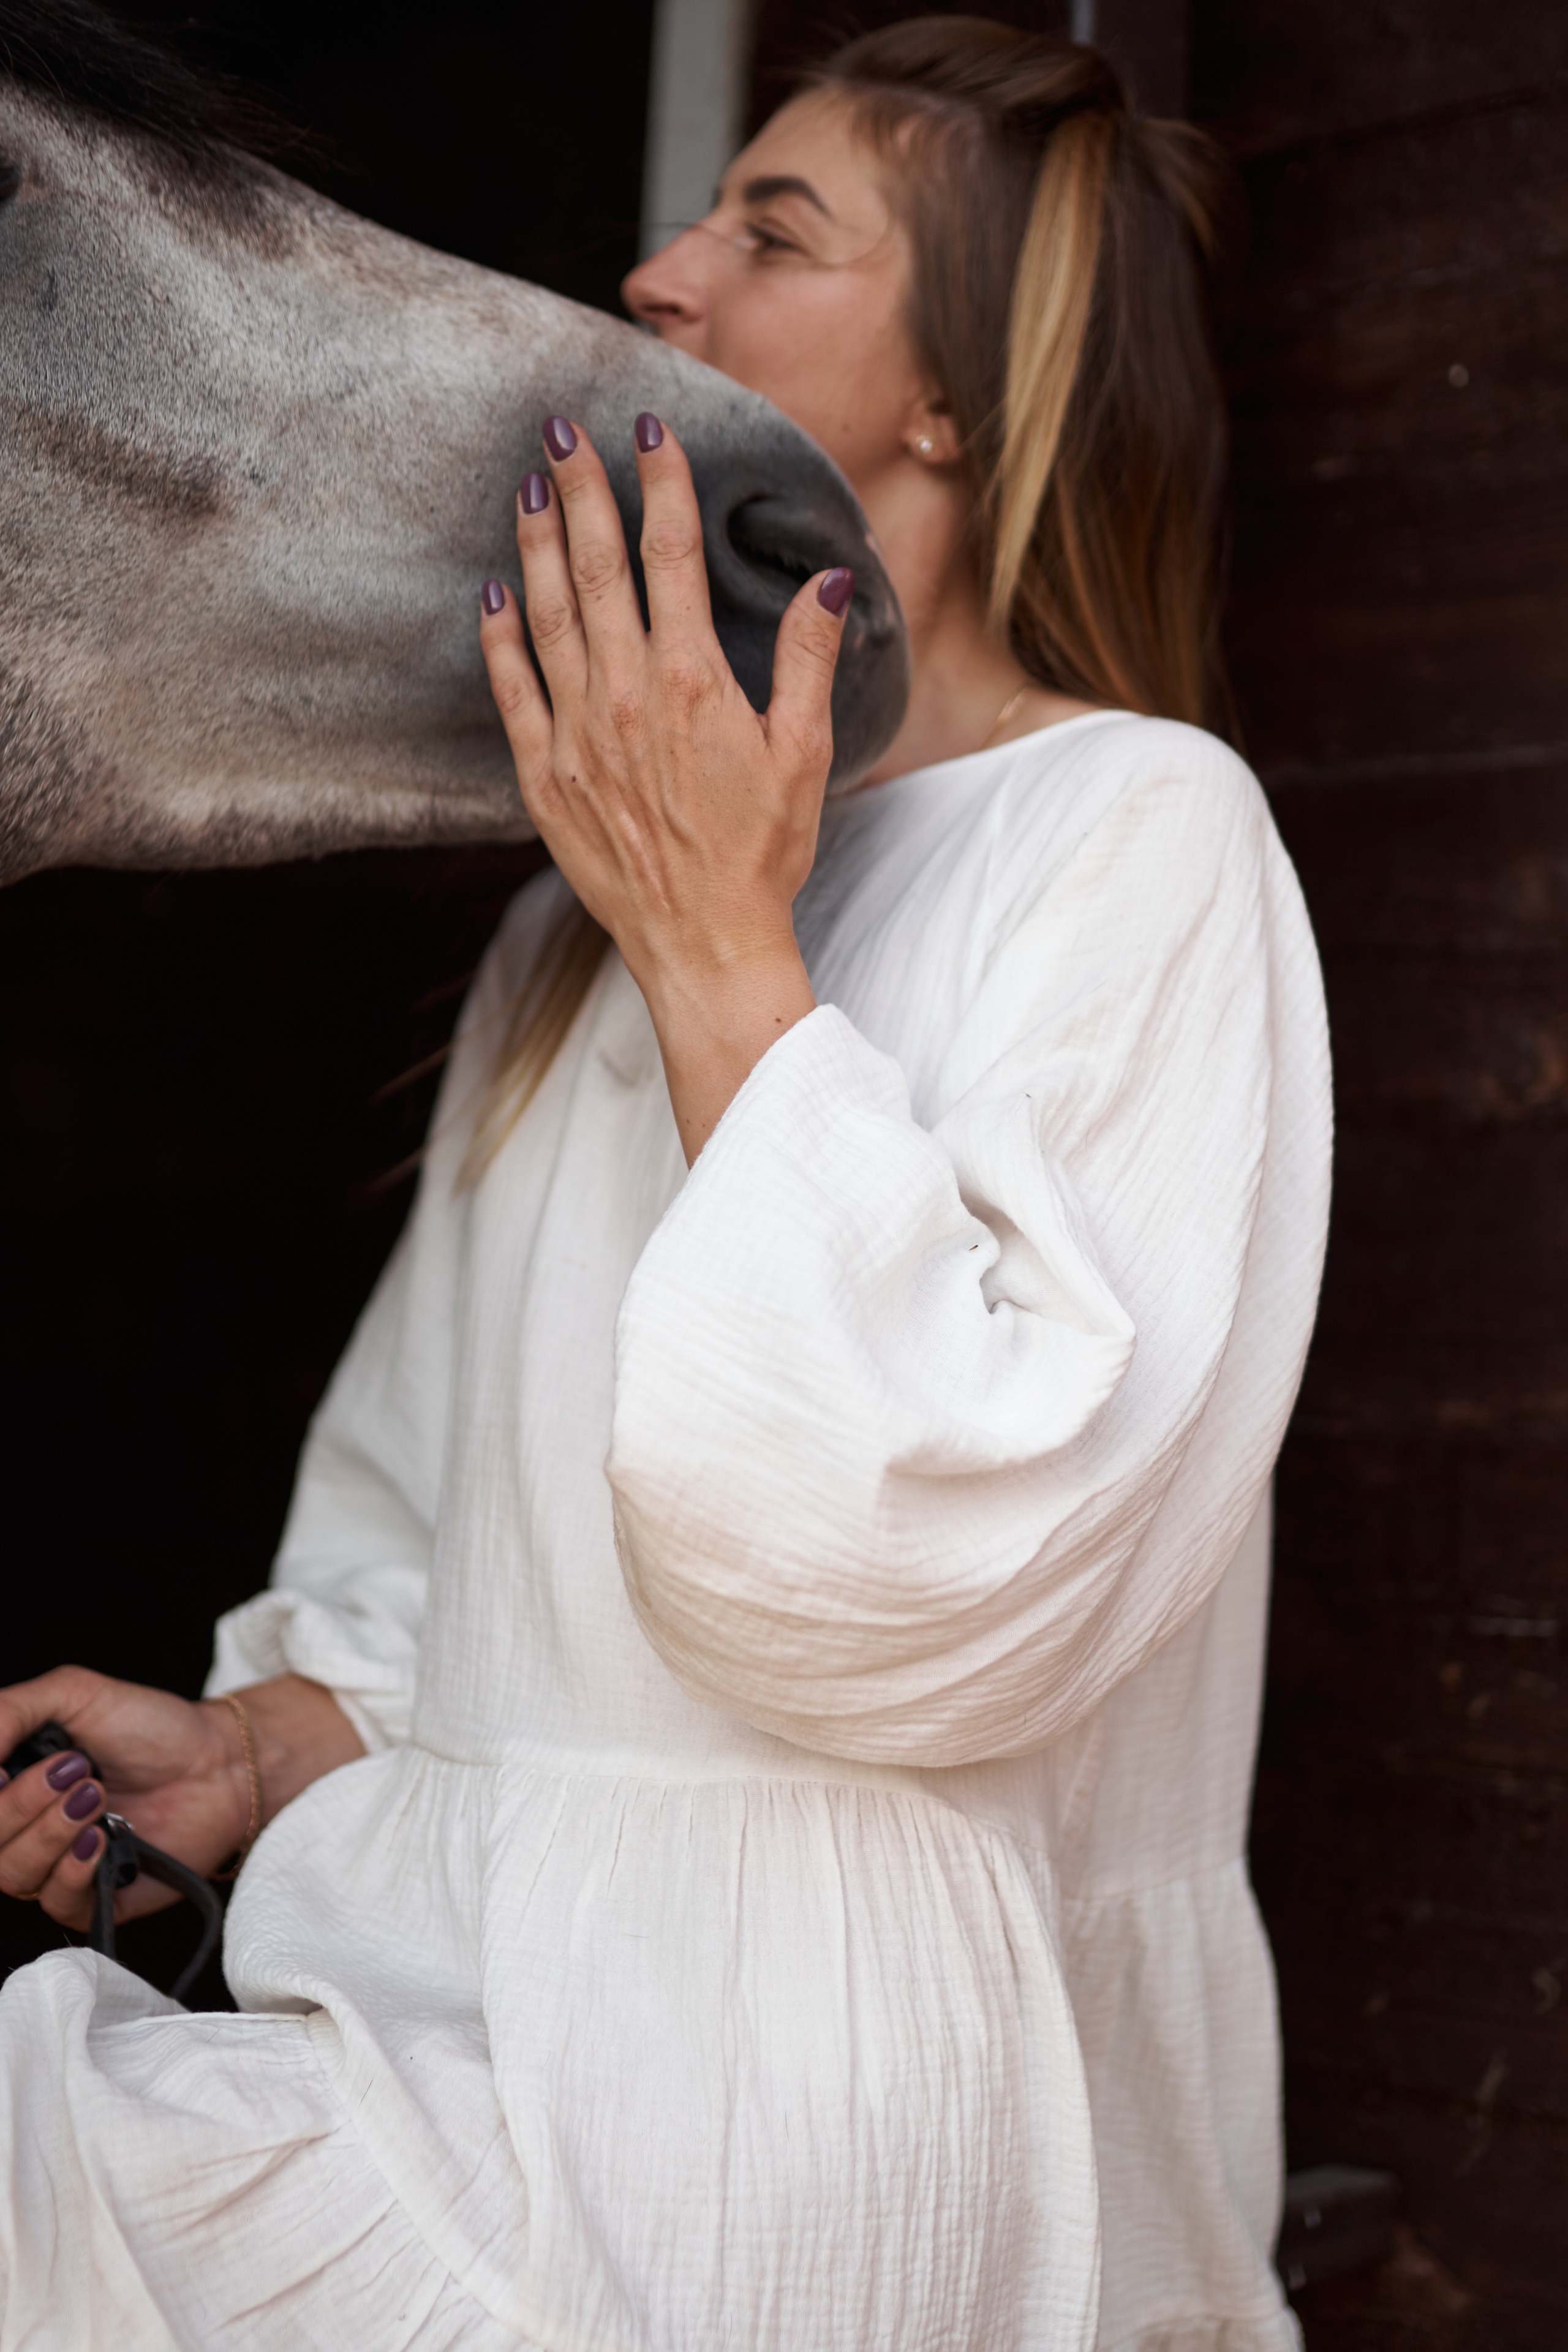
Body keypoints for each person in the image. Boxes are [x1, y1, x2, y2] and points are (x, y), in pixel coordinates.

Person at [0, 20, 1330, 2350]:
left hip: (790, 2157)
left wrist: (723, 948)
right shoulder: (566, 919)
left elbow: (943, 1571)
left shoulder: (1142, 835)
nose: (661, 272)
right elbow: (429, 1535)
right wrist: (272, 1741)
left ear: (962, 401)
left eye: (775, 230)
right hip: (463, 2036)